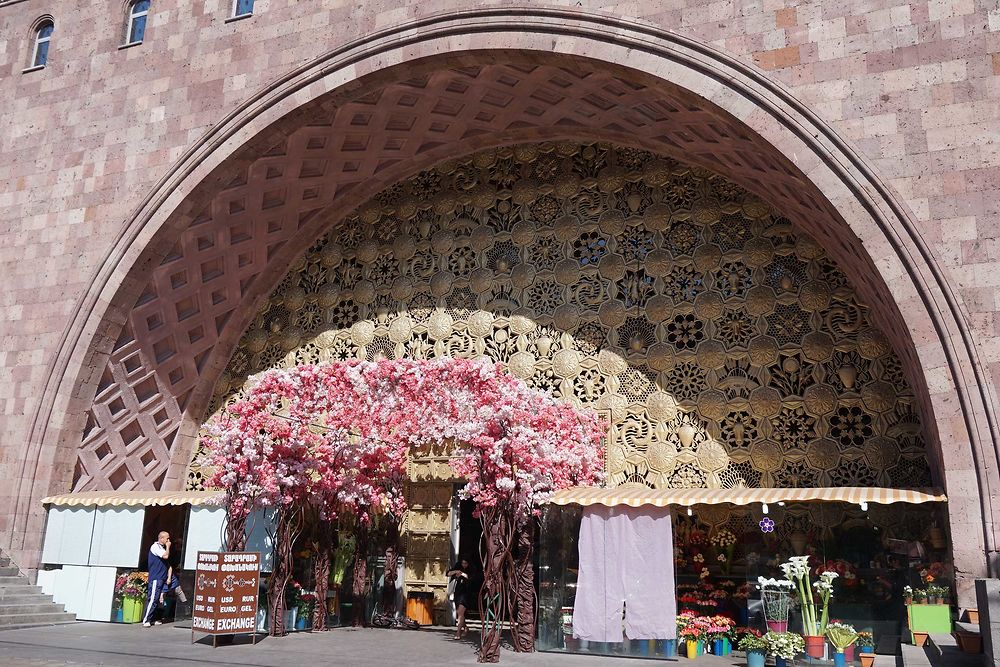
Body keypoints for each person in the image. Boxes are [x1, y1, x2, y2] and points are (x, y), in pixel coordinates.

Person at [142, 531, 171, 627]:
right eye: (167, 538)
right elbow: (165, 556)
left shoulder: (161, 548)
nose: (168, 540)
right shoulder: (155, 547)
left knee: (160, 600)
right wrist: (168, 547)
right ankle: (147, 619)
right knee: (153, 598)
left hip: (162, 578)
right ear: (161, 538)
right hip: (156, 577)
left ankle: (155, 618)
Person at [446, 556, 472, 640]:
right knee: (459, 612)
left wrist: (463, 575)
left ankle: (458, 633)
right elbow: (448, 573)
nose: (464, 565)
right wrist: (456, 572)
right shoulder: (458, 567)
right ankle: (465, 627)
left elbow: (472, 578)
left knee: (460, 612)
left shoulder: (471, 569)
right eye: (462, 563)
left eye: (465, 563)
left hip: (466, 593)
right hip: (458, 592)